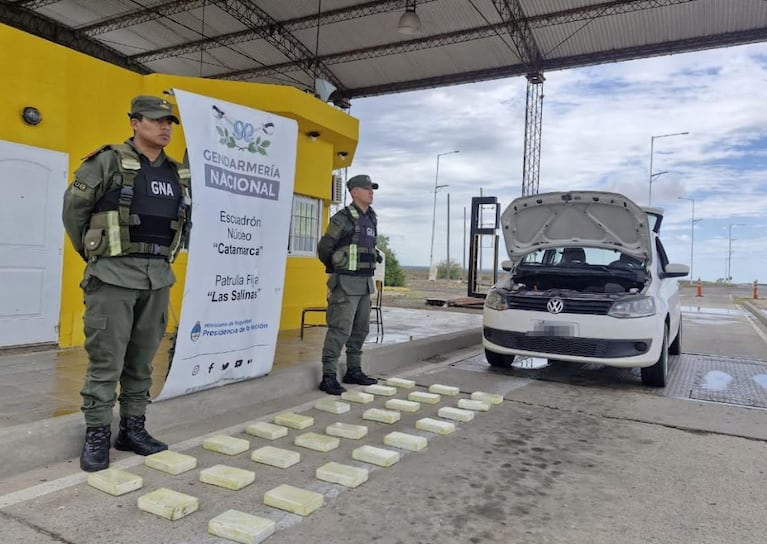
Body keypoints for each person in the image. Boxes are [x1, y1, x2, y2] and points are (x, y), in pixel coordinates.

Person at [62, 95, 192, 472]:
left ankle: (132, 429)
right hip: (113, 277)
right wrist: (96, 256)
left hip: (157, 278)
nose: (165, 127)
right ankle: (98, 433)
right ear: (135, 122)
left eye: (169, 121)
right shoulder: (107, 161)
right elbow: (74, 213)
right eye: (156, 120)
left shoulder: (176, 172)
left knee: (141, 362)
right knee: (106, 362)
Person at [316, 174, 382, 395]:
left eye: (372, 188)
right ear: (354, 192)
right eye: (366, 188)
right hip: (345, 284)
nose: (371, 191)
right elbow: (324, 248)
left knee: (360, 330)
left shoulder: (371, 217)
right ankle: (328, 376)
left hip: (364, 284)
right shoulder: (342, 218)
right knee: (340, 330)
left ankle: (353, 371)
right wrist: (335, 267)